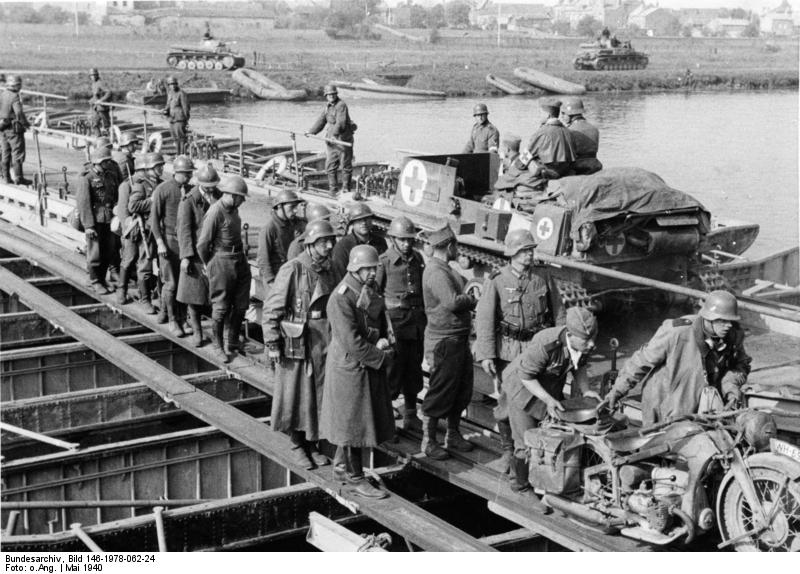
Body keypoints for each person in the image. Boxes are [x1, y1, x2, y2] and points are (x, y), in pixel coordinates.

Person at [475, 229, 563, 474]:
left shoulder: (543, 277)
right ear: (512, 254)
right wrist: (486, 354)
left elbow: (559, 313)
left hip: (537, 350)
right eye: (524, 251)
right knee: (507, 403)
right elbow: (484, 319)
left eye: (531, 250)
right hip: (509, 352)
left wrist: (560, 346)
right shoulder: (497, 280)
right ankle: (508, 451)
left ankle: (535, 454)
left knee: (540, 399)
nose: (529, 255)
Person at [601, 291, 751, 425]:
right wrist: (617, 391)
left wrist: (730, 387)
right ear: (708, 318)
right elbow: (641, 361)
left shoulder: (733, 336)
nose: (728, 325)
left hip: (706, 409)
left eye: (731, 321)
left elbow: (740, 366)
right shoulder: (677, 332)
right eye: (722, 320)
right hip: (666, 407)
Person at [320, 245, 395, 499]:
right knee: (352, 425)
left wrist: (381, 339)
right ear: (355, 268)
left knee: (353, 422)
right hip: (350, 369)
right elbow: (352, 342)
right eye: (368, 268)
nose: (373, 272)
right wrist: (381, 356)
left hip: (361, 366)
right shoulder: (341, 297)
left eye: (374, 267)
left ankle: (342, 468)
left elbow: (373, 320)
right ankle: (356, 479)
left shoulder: (363, 289)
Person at [265, 219, 339, 470]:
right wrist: (272, 342)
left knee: (317, 396)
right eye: (323, 242)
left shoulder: (329, 270)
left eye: (331, 241)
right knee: (295, 395)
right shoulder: (293, 269)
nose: (329, 246)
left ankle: (312, 443)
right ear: (310, 244)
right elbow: (273, 307)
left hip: (323, 342)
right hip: (297, 341)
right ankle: (297, 444)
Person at [504, 307, 599, 499]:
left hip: (548, 391)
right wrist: (548, 400)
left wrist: (586, 389)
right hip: (522, 390)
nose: (591, 344)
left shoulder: (583, 344)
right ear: (570, 335)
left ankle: (551, 480)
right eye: (586, 340)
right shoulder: (546, 343)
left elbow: (579, 366)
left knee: (553, 436)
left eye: (592, 339)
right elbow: (526, 376)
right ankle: (520, 486)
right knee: (526, 442)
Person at [421, 224, 477, 460]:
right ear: (449, 246)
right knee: (440, 391)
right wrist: (474, 299)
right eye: (456, 245)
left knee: (462, 389)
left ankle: (452, 434)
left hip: (457, 338)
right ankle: (428, 441)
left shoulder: (445, 269)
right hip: (444, 341)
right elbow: (453, 302)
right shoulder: (436, 271)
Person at [376, 216, 426, 433]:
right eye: (402, 240)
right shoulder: (384, 262)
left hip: (415, 323)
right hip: (394, 324)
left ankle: (410, 415)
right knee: (393, 372)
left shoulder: (417, 258)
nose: (407, 244)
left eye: (410, 240)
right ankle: (386, 421)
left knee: (413, 370)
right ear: (393, 239)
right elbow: (375, 296)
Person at [197, 175, 251, 364]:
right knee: (220, 307)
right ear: (232, 195)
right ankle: (218, 345)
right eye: (241, 197)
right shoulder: (215, 211)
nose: (243, 201)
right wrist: (209, 264)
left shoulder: (234, 211)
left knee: (242, 303)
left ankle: (233, 340)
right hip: (222, 260)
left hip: (239, 258)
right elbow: (203, 244)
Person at [176, 163, 221, 347]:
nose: (211, 189)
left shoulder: (219, 197)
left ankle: (219, 334)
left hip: (215, 253)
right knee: (194, 296)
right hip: (195, 253)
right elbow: (184, 230)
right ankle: (197, 332)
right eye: (208, 186)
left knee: (215, 294)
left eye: (213, 186)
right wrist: (185, 256)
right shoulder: (189, 201)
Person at [151, 155, 194, 337]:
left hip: (185, 243)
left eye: (190, 174)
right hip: (168, 242)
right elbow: (154, 220)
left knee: (185, 283)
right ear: (177, 173)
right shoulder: (163, 190)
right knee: (171, 283)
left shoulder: (191, 191)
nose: (189, 177)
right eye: (187, 174)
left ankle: (183, 318)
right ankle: (172, 320)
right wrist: (160, 242)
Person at [75, 146, 120, 294]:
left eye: (108, 161)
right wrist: (88, 225)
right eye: (105, 162)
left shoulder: (110, 176)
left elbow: (115, 196)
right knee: (95, 253)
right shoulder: (86, 178)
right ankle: (94, 281)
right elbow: (84, 203)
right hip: (95, 220)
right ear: (97, 163)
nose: (108, 164)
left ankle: (102, 279)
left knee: (108, 251)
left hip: (109, 219)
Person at [127, 151, 164, 315]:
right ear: (149, 168)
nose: (161, 169)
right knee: (145, 266)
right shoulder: (141, 185)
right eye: (158, 166)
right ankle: (145, 300)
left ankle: (162, 299)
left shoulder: (162, 184)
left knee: (163, 266)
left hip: (161, 230)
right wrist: (152, 201)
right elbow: (133, 206)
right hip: (147, 231)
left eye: (161, 166)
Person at [307, 84, 356, 193]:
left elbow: (341, 123)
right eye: (329, 95)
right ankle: (333, 190)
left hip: (343, 141)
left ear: (336, 94)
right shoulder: (327, 107)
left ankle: (346, 189)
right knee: (330, 166)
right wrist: (311, 131)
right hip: (332, 143)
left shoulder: (341, 105)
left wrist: (334, 134)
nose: (331, 96)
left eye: (333, 94)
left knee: (345, 166)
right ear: (326, 96)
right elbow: (321, 120)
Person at [256, 189, 303, 298]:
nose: (295, 211)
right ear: (279, 207)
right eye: (291, 207)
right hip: (275, 278)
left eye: (296, 207)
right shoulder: (269, 229)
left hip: (290, 275)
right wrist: (271, 282)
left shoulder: (294, 224)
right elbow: (263, 259)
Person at [518, 98, 575, 184]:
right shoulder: (567, 131)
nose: (538, 115)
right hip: (564, 171)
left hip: (548, 172)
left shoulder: (542, 132)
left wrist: (516, 164)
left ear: (547, 115)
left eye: (540, 112)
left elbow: (527, 155)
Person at [115, 154, 146, 305]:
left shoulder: (148, 184)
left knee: (144, 262)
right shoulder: (126, 185)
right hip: (132, 230)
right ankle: (122, 290)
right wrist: (129, 226)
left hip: (146, 228)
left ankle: (143, 292)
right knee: (129, 259)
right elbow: (122, 212)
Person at [330, 203, 387, 279]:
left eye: (366, 219)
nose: (364, 223)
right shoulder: (342, 247)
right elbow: (339, 275)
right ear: (352, 223)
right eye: (359, 220)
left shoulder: (380, 242)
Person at [0, 74, 31, 185]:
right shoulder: (14, 96)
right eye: (19, 84)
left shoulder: (2, 94)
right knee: (17, 153)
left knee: (5, 152)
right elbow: (18, 112)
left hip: (3, 128)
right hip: (14, 129)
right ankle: (19, 178)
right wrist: (26, 123)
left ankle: (6, 177)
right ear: (16, 85)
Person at [561, 98, 602, 175]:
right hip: (594, 166)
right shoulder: (594, 128)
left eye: (563, 113)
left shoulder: (569, 130)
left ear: (570, 114)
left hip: (577, 169)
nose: (562, 116)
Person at [163, 77, 190, 156]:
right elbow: (168, 105)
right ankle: (177, 154)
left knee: (181, 138)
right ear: (169, 85)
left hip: (180, 119)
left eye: (174, 84)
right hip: (171, 119)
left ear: (177, 84)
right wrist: (165, 111)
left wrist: (186, 119)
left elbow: (186, 107)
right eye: (171, 84)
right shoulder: (170, 93)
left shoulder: (181, 93)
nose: (173, 86)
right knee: (175, 138)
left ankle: (182, 154)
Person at [88, 68, 111, 137]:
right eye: (92, 75)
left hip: (103, 108)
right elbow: (96, 96)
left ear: (97, 75)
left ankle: (109, 139)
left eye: (94, 75)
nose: (93, 77)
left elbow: (109, 92)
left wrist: (101, 100)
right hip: (96, 108)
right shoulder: (93, 84)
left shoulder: (100, 83)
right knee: (94, 124)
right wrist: (92, 100)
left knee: (106, 126)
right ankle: (99, 139)